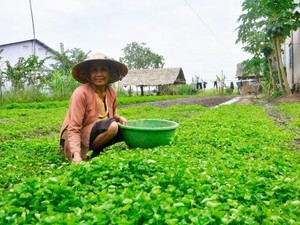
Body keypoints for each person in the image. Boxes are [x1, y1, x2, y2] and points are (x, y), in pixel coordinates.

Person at [59, 52, 128, 163]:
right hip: (78, 136)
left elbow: (112, 115)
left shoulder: (111, 92)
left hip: (97, 130)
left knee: (123, 127)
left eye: (103, 70)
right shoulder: (81, 94)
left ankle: (94, 149)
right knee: (113, 126)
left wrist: (120, 118)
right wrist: (76, 154)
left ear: (109, 73)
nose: (99, 74)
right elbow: (74, 127)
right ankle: (84, 153)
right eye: (94, 70)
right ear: (89, 74)